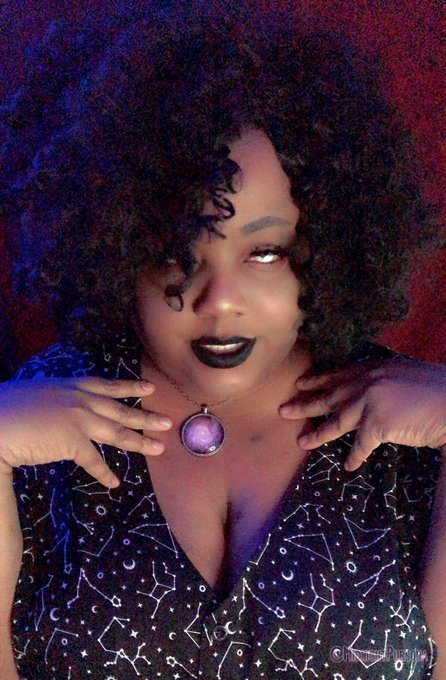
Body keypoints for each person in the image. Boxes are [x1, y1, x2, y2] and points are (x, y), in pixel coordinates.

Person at [0, 3, 445, 678]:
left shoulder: (410, 434)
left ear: (325, 244)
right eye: (177, 254)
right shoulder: (37, 423)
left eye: (265, 252)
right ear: (118, 245)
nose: (220, 301)